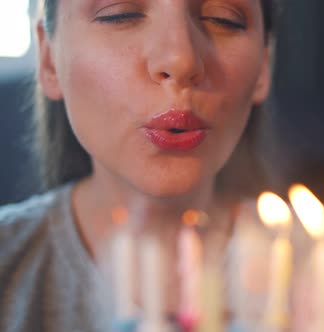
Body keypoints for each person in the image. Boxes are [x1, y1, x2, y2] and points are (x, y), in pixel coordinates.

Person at [0, 0, 278, 331]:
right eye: (121, 14)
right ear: (49, 61)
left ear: (263, 65)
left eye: (223, 19)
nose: (182, 59)